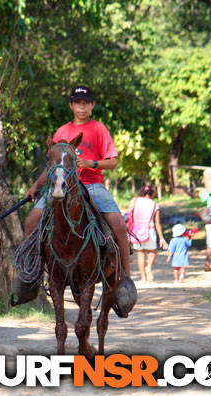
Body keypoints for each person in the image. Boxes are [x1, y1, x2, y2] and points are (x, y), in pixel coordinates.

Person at [24, 85, 131, 277]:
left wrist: (91, 163)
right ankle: (31, 272)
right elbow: (52, 166)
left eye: (86, 103)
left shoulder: (99, 128)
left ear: (92, 106)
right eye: (78, 103)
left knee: (119, 225)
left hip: (92, 184)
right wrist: (35, 186)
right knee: (32, 220)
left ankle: (125, 276)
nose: (82, 108)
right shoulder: (62, 132)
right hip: (60, 185)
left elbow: (113, 162)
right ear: (71, 105)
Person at [127, 185, 168, 283]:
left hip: (136, 231)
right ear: (151, 193)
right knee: (152, 252)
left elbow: (128, 216)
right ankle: (149, 266)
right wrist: (162, 238)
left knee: (140, 254)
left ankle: (143, 278)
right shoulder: (154, 204)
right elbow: (157, 222)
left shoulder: (134, 201)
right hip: (150, 231)